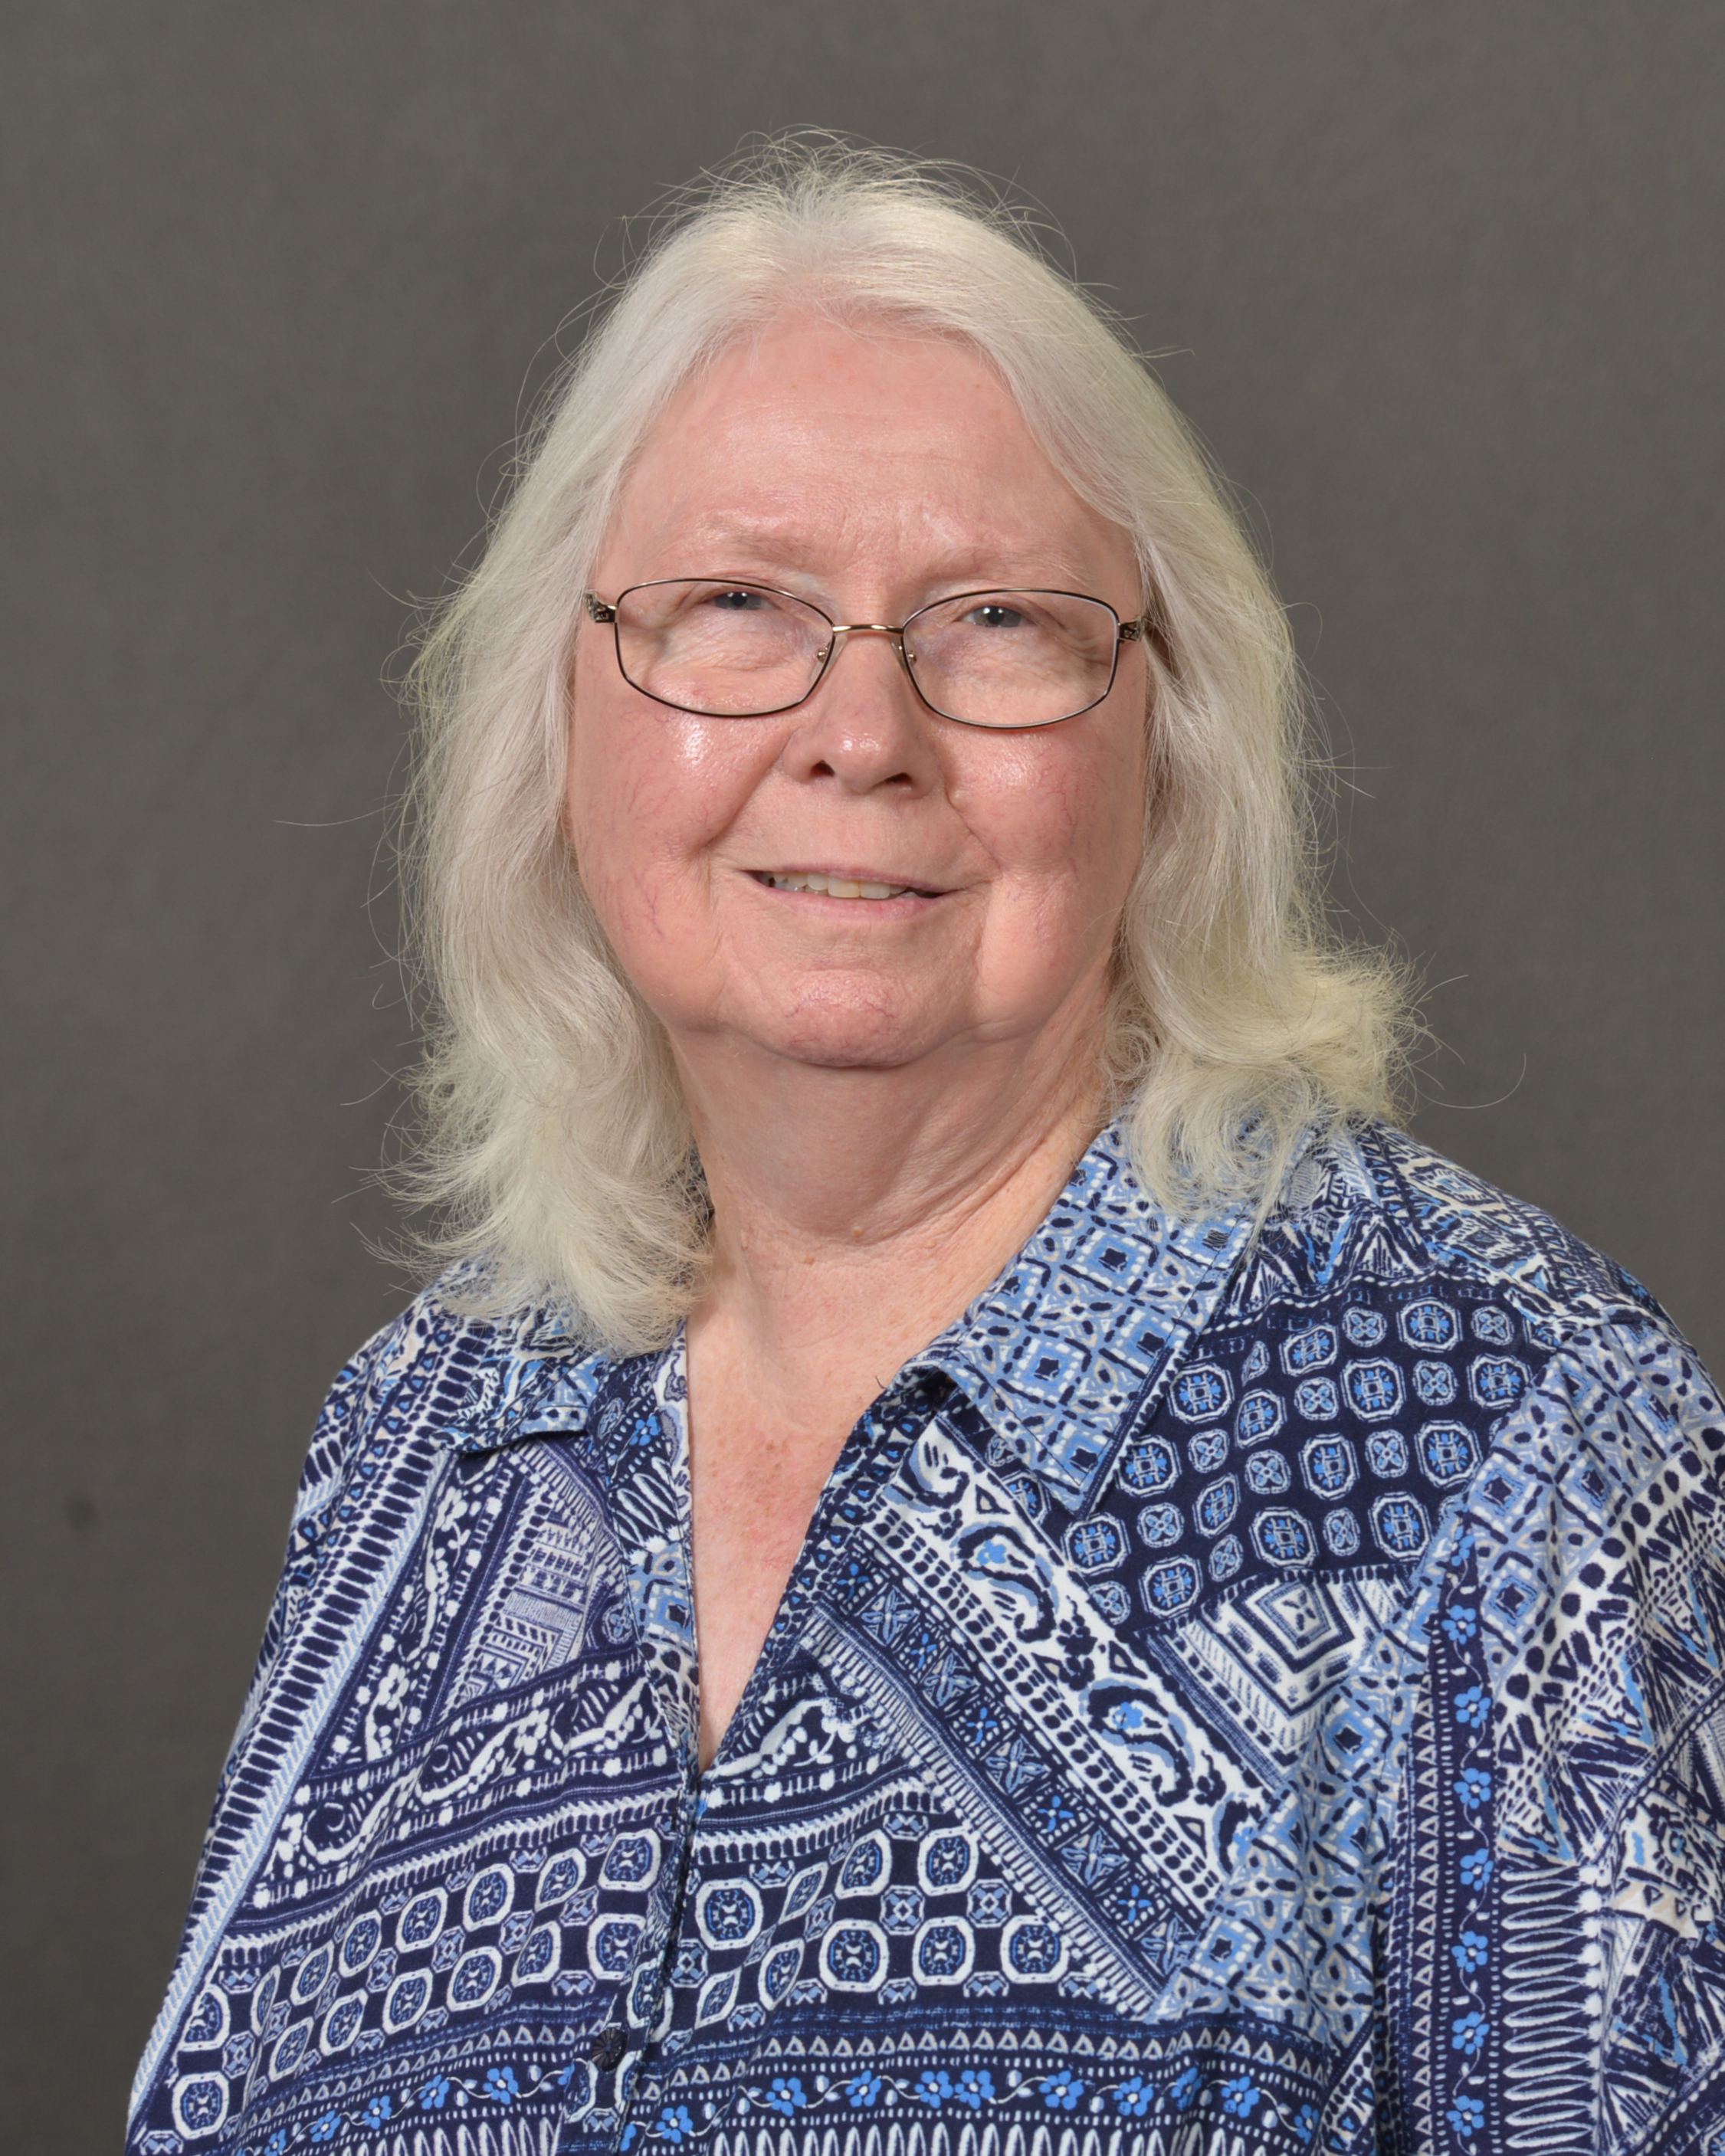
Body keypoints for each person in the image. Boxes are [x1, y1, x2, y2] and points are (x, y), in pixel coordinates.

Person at [129, 143, 1725, 2156]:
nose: (861, 733)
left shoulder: (1501, 1440)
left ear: (1169, 746)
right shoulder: (432, 1431)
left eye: (995, 623)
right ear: (558, 720)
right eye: (736, 604)